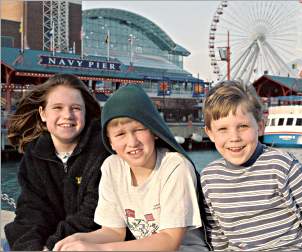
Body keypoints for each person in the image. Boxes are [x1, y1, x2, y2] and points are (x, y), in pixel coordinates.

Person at [53, 84, 210, 251]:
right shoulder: (112, 167)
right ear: (110, 142)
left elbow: (170, 240)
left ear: (154, 131)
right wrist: (76, 239)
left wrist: (101, 249)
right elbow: (113, 231)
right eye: (120, 134)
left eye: (139, 129)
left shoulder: (175, 166)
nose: (132, 142)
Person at [201, 81, 302, 251]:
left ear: (260, 127)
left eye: (243, 126)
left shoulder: (282, 165)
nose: (234, 137)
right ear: (210, 133)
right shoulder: (209, 178)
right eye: (223, 129)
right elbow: (217, 235)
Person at [4, 74, 112, 250]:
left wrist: (53, 245)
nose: (67, 115)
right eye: (57, 107)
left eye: (76, 108)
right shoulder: (34, 154)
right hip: (51, 239)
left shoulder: (102, 151)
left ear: (86, 112)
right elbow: (31, 210)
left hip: (91, 240)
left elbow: (92, 213)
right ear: (43, 113)